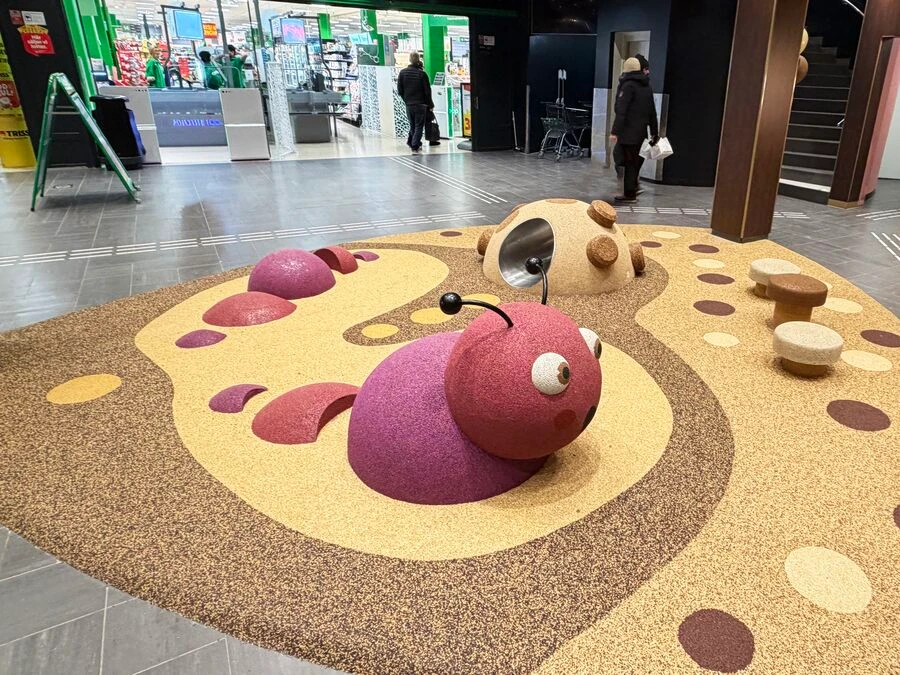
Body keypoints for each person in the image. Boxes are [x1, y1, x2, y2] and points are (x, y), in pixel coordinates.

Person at [610, 56, 658, 203]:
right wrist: (654, 133)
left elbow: (621, 111)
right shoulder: (647, 87)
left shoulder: (628, 86)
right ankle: (632, 188)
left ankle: (630, 193)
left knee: (623, 159)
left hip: (627, 134)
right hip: (641, 133)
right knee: (634, 161)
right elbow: (652, 112)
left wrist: (615, 131)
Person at [397, 52, 433, 153]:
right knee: (419, 126)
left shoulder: (402, 73)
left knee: (412, 125)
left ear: (409, 60)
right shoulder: (422, 74)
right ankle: (415, 145)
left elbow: (400, 90)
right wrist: (430, 104)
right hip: (421, 104)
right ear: (418, 60)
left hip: (409, 104)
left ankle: (413, 142)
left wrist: (406, 100)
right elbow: (427, 91)